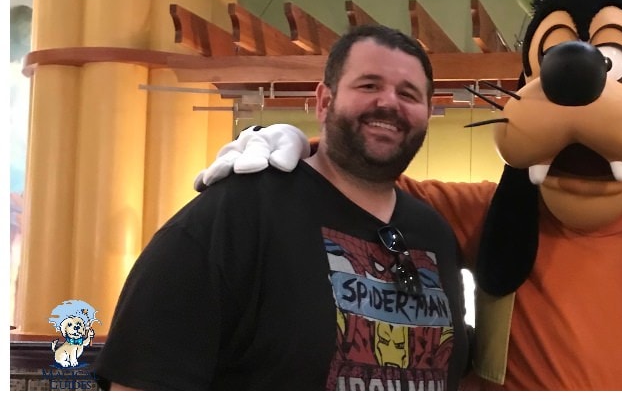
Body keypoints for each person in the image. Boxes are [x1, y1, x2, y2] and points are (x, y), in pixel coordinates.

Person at [95, 24, 471, 390]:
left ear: (426, 113)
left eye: (408, 94)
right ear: (324, 102)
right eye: (369, 85)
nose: (388, 102)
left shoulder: (433, 233)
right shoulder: (236, 215)